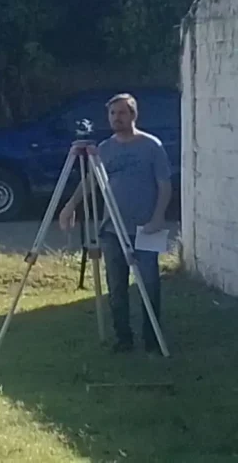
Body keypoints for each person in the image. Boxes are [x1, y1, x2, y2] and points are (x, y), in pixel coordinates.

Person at [58, 93, 172, 354]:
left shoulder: (152, 146)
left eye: (121, 113)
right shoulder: (105, 149)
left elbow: (165, 185)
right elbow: (90, 182)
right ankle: (124, 339)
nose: (116, 118)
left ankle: (152, 340)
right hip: (112, 229)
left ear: (133, 115)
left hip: (147, 226)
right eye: (112, 114)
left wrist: (158, 217)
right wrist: (70, 206)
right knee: (117, 286)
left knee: (150, 284)